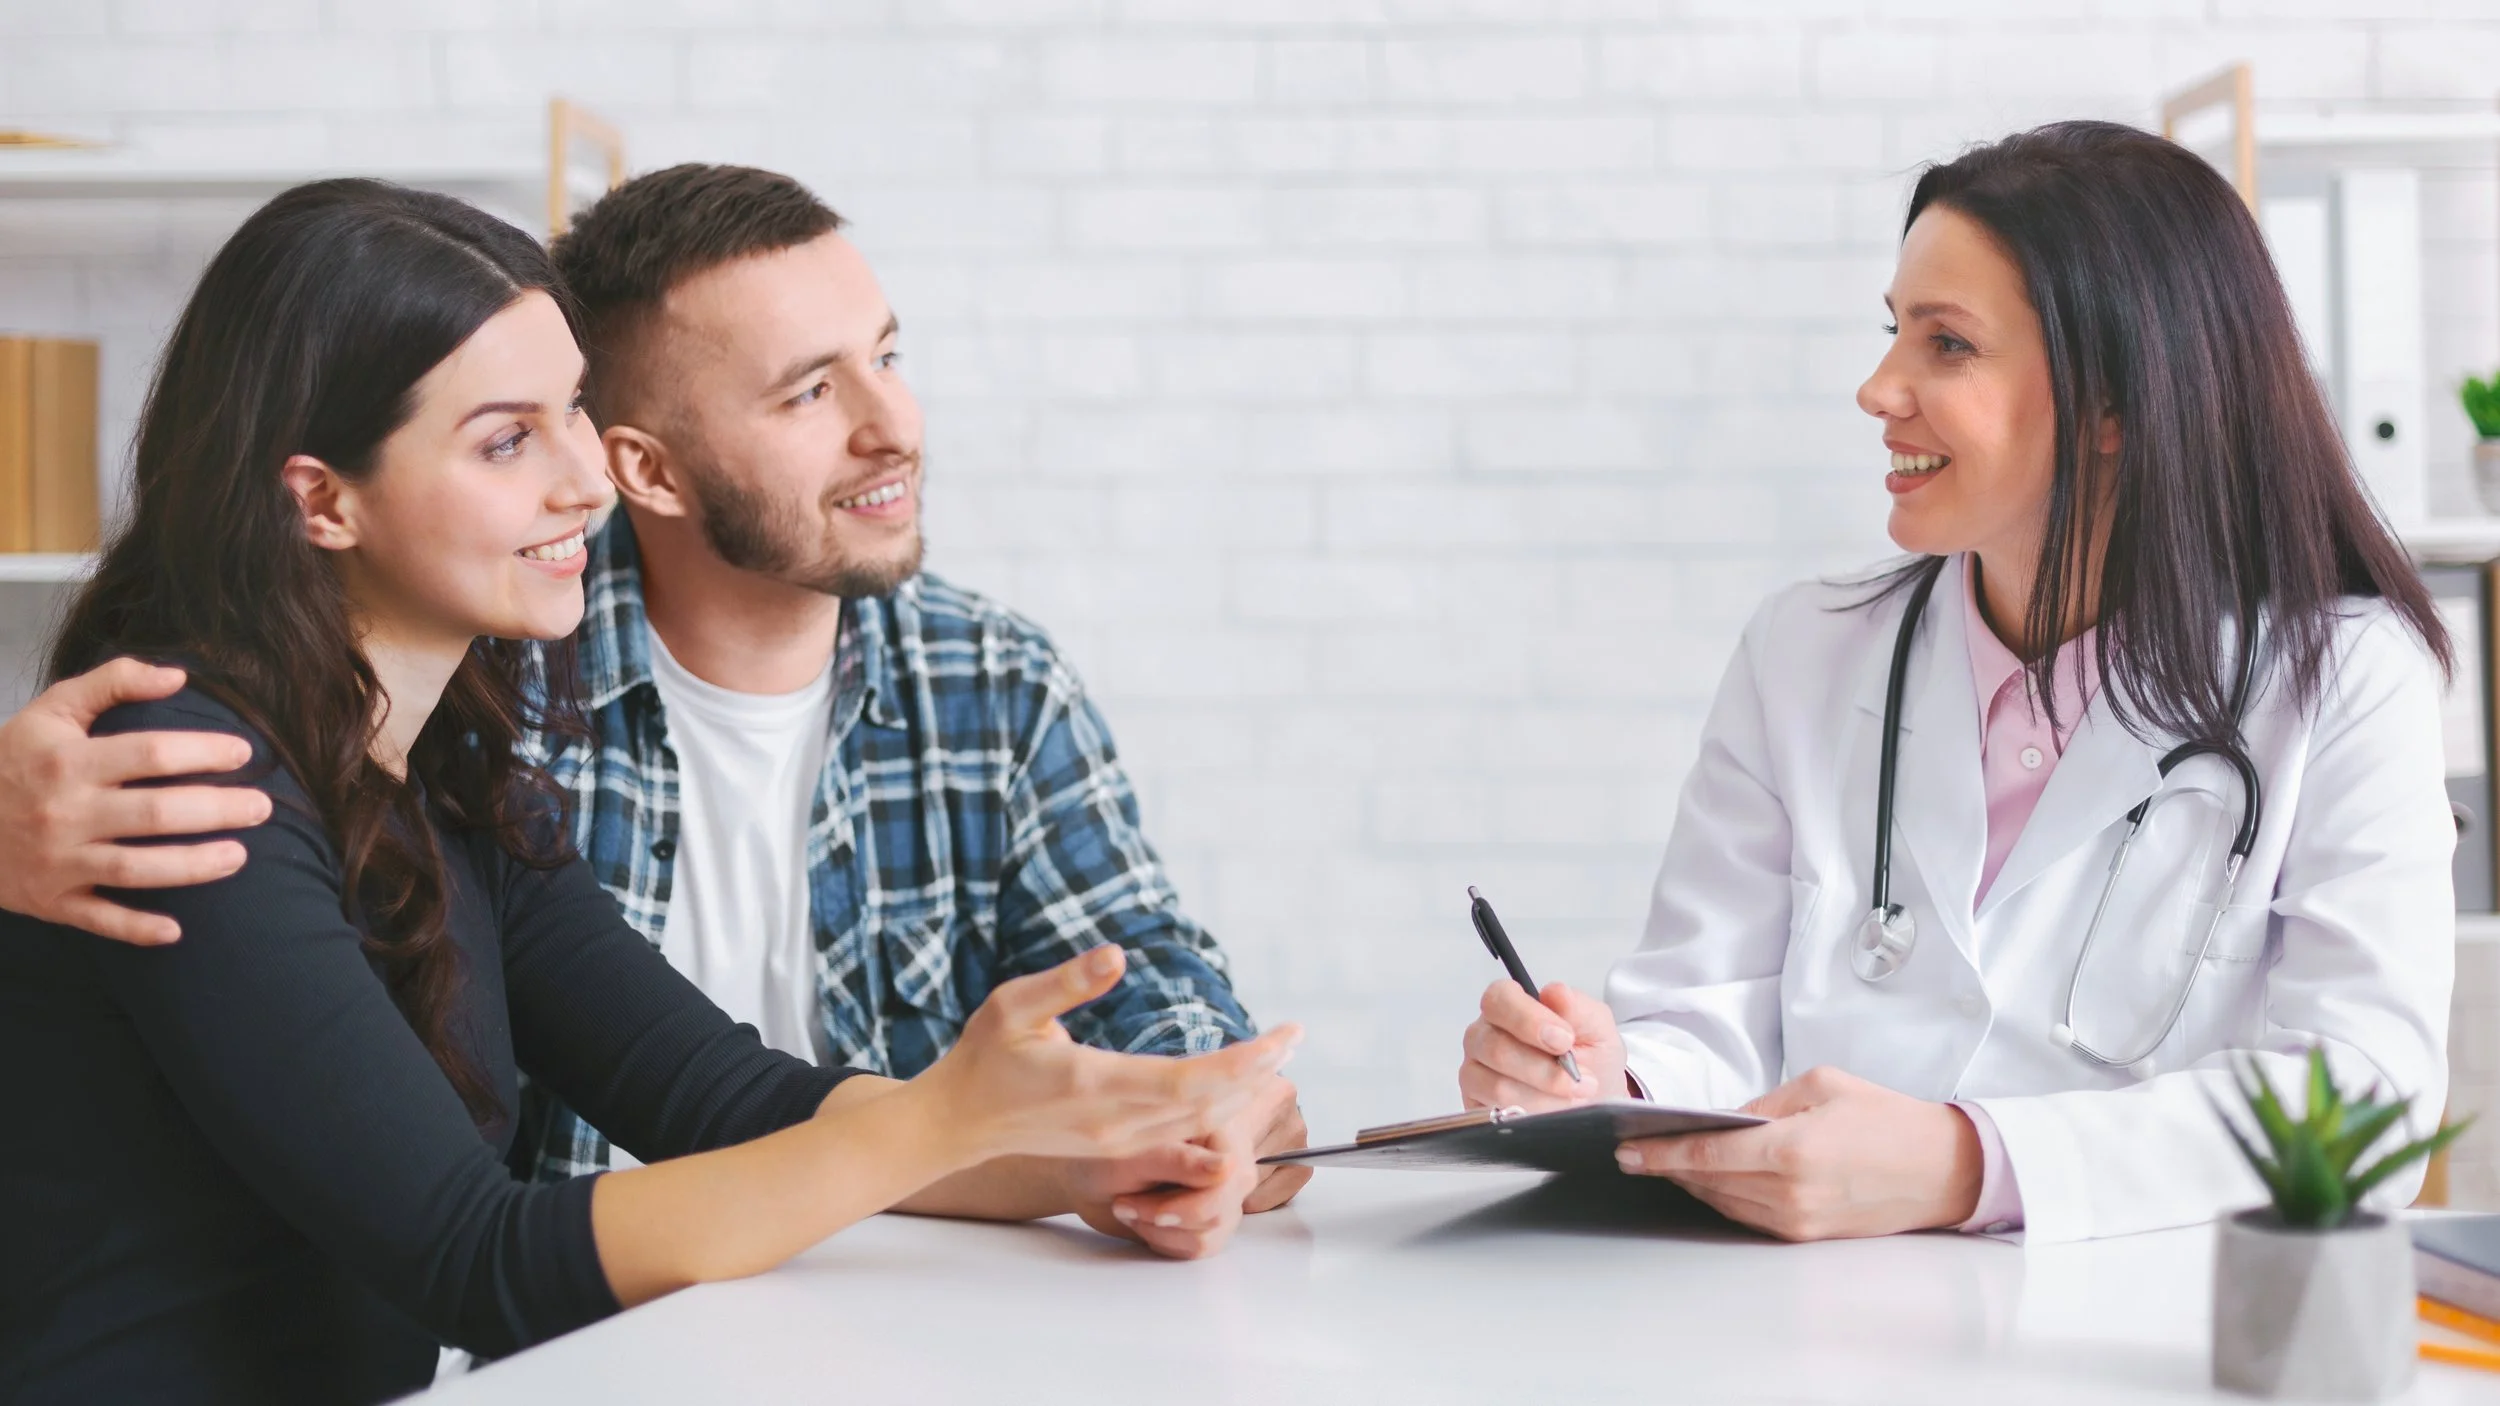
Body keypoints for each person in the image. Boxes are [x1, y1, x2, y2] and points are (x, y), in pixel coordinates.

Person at [0, 179, 1298, 1406]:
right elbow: (479, 1258)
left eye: (573, 409)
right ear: (322, 500)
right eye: (508, 439)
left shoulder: (450, 767)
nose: (586, 477)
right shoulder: (176, 776)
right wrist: (940, 1123)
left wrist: (1092, 1148)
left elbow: (725, 1096)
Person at [1457, 121, 2456, 1245]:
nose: (1877, 389)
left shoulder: (2343, 681)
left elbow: (2358, 1095)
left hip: (2143, 1342)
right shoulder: (1802, 654)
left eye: (1946, 345)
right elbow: (1709, 1011)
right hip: (1811, 1330)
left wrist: (1967, 1162)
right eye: (1893, 333)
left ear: (2117, 400)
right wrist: (1611, 1080)